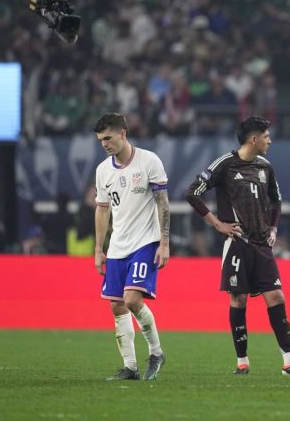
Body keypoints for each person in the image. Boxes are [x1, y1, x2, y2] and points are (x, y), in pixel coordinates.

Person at [185, 116, 290, 376]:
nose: (270, 140)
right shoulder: (225, 164)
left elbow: (276, 201)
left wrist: (274, 228)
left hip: (262, 244)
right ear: (253, 139)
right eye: (266, 136)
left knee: (277, 296)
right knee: (239, 298)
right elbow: (192, 192)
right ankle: (242, 362)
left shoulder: (265, 167)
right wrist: (217, 224)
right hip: (237, 242)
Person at [93, 113, 170, 381]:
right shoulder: (103, 170)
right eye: (101, 139)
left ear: (123, 134)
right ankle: (130, 367)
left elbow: (163, 203)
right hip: (117, 246)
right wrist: (98, 249)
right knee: (116, 305)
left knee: (132, 299)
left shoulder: (149, 161)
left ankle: (156, 352)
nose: (104, 144)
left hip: (146, 242)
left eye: (108, 138)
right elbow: (102, 210)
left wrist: (164, 242)